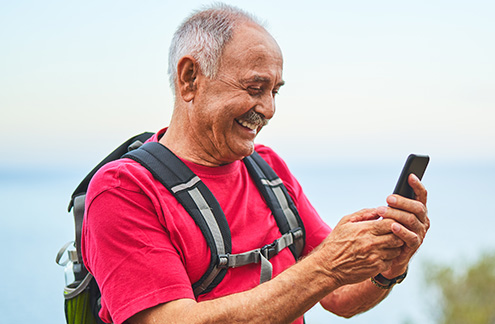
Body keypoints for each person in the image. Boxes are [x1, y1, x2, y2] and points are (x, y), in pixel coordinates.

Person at [80, 4, 429, 324]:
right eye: (254, 87)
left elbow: (340, 298)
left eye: (274, 91)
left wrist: (391, 266)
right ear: (190, 78)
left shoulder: (268, 169)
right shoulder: (124, 190)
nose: (269, 109)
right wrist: (325, 267)